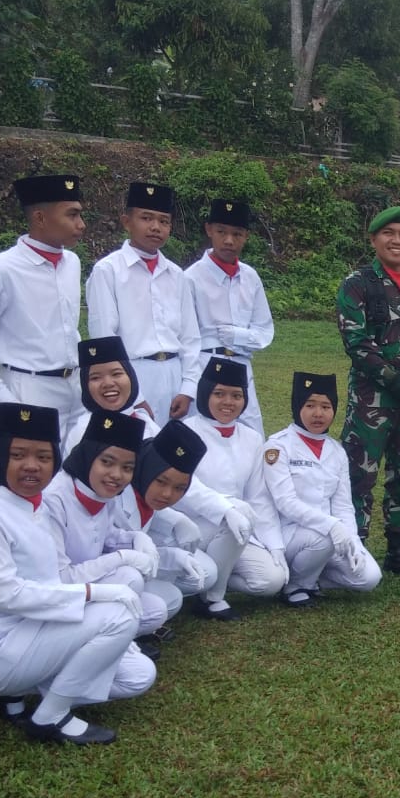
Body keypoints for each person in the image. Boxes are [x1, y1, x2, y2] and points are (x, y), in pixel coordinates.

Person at [0, 403, 154, 745]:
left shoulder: (34, 501)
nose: (32, 466)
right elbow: (8, 595)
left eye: (44, 457)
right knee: (119, 616)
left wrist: (137, 542)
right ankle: (50, 717)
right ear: (1, 453)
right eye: (19, 455)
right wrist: (95, 594)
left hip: (32, 631)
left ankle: (12, 694)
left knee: (138, 675)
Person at [335, 204, 400, 578]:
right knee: (359, 474)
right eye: (389, 233)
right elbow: (356, 340)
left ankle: (399, 551)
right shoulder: (358, 284)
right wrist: (394, 378)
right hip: (371, 399)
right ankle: (355, 552)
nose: (397, 240)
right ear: (374, 239)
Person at [40, 409, 173, 649]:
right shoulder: (54, 500)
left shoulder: (98, 490)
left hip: (85, 590)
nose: (117, 475)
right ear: (89, 455)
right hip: (56, 600)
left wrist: (136, 538)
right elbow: (61, 578)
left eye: (127, 467)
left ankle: (107, 637)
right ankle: (94, 641)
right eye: (107, 462)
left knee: (159, 608)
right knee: (130, 579)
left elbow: (107, 536)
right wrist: (123, 557)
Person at [0, 174, 87, 428]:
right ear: (40, 218)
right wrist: (2, 398)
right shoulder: (0, 269)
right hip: (29, 388)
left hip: (75, 387)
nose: (81, 224)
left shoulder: (72, 263)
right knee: (35, 466)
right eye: (72, 215)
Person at [263, 371, 383, 606]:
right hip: (291, 535)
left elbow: (343, 505)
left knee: (369, 578)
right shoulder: (278, 446)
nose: (318, 414)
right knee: (324, 537)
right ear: (298, 405)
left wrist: (355, 544)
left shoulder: (336, 450)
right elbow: (285, 502)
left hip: (328, 537)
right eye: (310, 405)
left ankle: (312, 576)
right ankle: (295, 585)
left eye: (326, 407)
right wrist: (331, 525)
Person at [86, 182, 201, 422]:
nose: (155, 227)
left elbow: (190, 337)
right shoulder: (108, 271)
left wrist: (188, 388)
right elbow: (105, 337)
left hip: (174, 373)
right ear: (127, 221)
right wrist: (133, 394)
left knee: (173, 454)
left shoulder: (176, 274)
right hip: (133, 373)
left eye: (164, 221)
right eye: (146, 218)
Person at [185, 357, 290, 617]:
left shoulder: (252, 438)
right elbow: (185, 489)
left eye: (236, 395)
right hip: (193, 527)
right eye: (219, 394)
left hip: (239, 530)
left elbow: (259, 497)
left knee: (272, 580)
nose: (228, 403)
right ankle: (212, 598)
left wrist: (275, 545)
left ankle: (215, 575)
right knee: (237, 514)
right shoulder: (184, 432)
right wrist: (226, 508)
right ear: (204, 392)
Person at [185, 198, 274, 433]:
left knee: (251, 434)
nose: (228, 240)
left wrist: (234, 335)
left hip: (243, 365)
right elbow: (186, 337)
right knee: (204, 433)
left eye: (237, 234)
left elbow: (265, 332)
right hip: (206, 365)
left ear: (246, 236)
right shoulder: (191, 278)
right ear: (209, 230)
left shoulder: (251, 277)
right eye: (221, 232)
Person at [118, 420, 224, 612]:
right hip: (100, 577)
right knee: (168, 600)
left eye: (179, 488)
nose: (167, 494)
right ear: (147, 467)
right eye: (160, 481)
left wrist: (178, 520)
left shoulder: (144, 491)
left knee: (205, 574)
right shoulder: (115, 494)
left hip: (130, 567)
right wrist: (170, 557)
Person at [65, 336, 159, 452]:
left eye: (116, 374)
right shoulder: (82, 432)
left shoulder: (149, 426)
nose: (108, 383)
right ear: (85, 385)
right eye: (95, 377)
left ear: (131, 377)